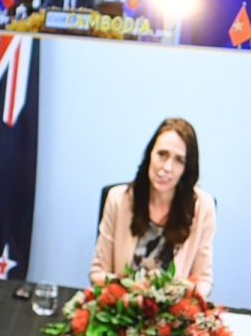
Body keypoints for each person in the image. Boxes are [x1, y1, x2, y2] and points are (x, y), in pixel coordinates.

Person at [90, 118, 216, 297]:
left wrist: (176, 296)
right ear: (150, 155)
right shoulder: (118, 199)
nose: (167, 167)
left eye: (179, 160)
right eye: (162, 154)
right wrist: (130, 295)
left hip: (171, 316)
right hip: (123, 309)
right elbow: (97, 272)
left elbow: (203, 281)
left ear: (186, 168)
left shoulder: (203, 207)